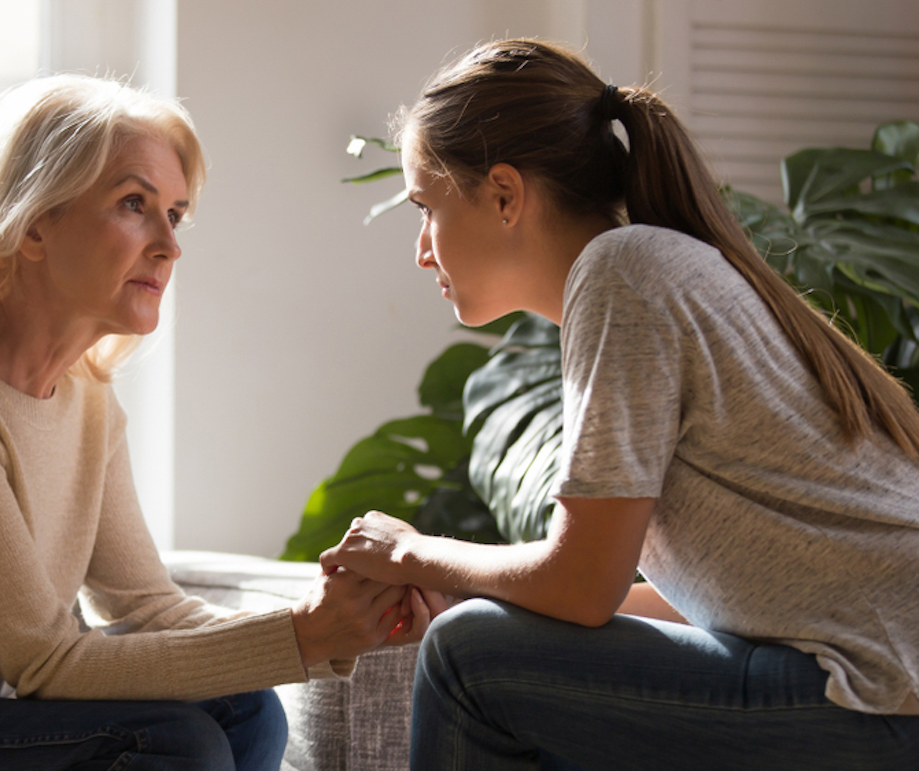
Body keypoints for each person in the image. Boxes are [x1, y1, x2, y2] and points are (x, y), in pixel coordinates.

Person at [0, 75, 433, 771]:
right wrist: (303, 636)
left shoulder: (86, 396)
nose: (169, 244)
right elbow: (47, 662)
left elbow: (146, 607)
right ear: (34, 224)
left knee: (242, 708)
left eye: (176, 215)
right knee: (171, 743)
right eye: (134, 203)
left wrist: (326, 619)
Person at [319, 39, 919, 770]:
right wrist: (467, 589)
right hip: (877, 685)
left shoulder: (622, 274)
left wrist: (414, 551)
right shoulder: (653, 269)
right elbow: (705, 601)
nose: (421, 250)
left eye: (426, 208)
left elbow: (582, 585)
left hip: (881, 698)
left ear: (505, 195)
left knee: (466, 658)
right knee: (476, 632)